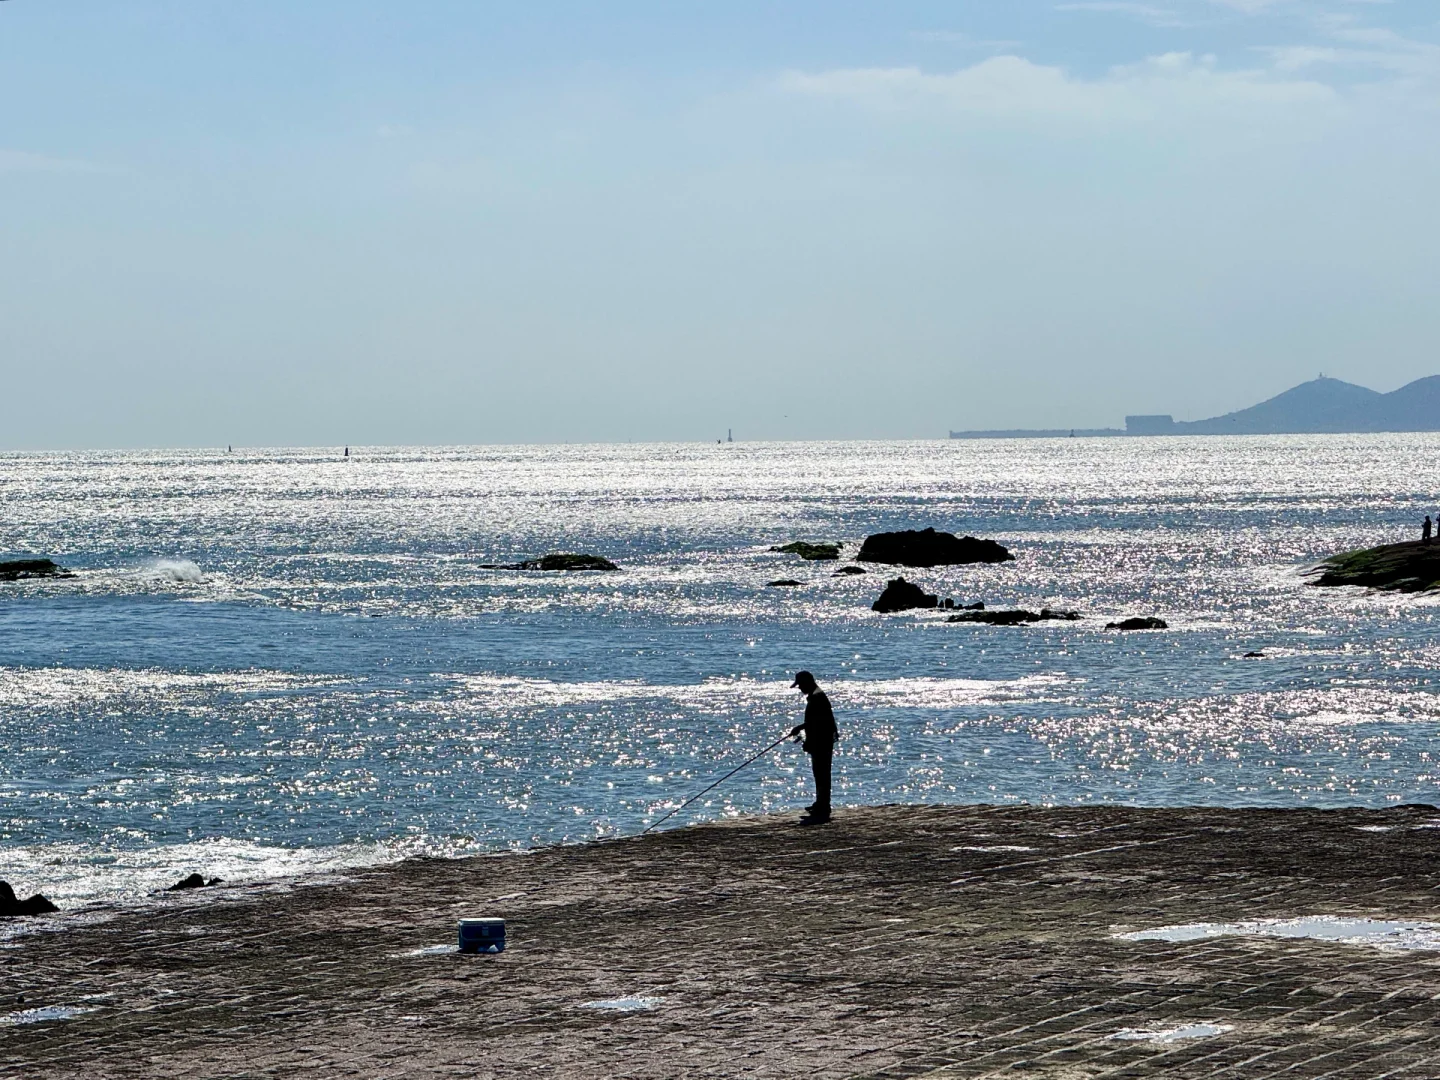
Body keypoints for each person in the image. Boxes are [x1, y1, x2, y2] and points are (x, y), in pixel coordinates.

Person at [789, 671, 837, 822]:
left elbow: (818, 722)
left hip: (822, 741)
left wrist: (800, 728)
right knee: (820, 773)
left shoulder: (817, 697)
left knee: (822, 773)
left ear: (807, 683)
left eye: (800, 685)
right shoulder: (816, 695)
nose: (799, 688)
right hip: (822, 739)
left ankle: (823, 806)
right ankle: (821, 804)